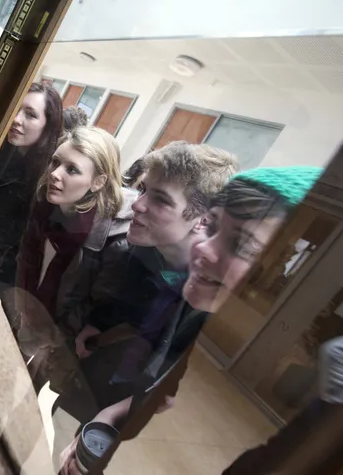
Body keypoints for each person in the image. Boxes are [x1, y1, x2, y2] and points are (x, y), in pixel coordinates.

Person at [57, 166, 324, 475]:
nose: (205, 250)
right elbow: (159, 384)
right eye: (212, 227)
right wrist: (107, 420)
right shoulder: (195, 296)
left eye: (243, 245)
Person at [53, 142, 239, 472]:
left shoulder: (212, 293)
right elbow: (124, 302)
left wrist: (112, 416)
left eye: (161, 200)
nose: (137, 205)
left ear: (202, 219)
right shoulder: (142, 249)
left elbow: (166, 389)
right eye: (143, 191)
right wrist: (99, 323)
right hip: (101, 371)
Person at [5, 127, 133, 379]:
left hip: (60, 346)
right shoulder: (44, 206)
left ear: (98, 182)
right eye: (55, 162)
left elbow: (91, 305)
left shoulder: (115, 241)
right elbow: (26, 260)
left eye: (71, 169)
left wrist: (51, 342)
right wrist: (22, 309)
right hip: (26, 319)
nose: (54, 174)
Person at [0, 82, 64, 288]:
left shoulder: (48, 179)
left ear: (48, 126)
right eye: (16, 109)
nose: (16, 120)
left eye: (30, 114)